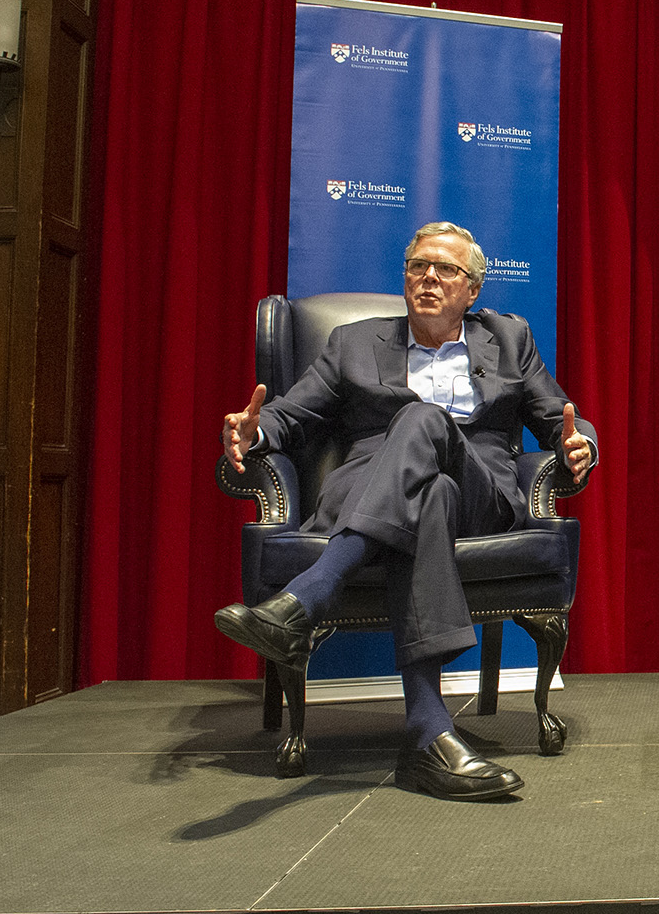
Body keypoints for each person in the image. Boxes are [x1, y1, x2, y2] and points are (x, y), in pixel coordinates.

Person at [213, 221, 595, 802]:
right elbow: (287, 418)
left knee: (424, 420)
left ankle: (309, 597)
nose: (429, 279)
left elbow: (561, 415)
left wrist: (581, 443)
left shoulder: (509, 340)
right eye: (418, 267)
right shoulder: (354, 342)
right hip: (377, 486)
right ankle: (429, 734)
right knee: (429, 495)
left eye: (447, 270)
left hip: (481, 493)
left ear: (472, 292)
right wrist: (253, 432)